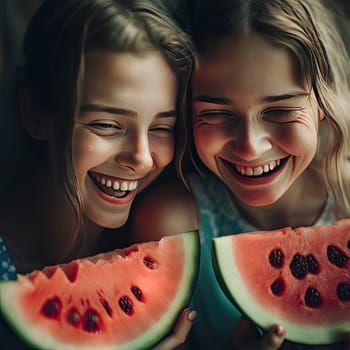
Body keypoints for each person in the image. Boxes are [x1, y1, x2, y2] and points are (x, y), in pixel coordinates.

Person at [129, 0, 350, 349]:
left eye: (279, 110)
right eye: (218, 114)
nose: (250, 147)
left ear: (323, 103)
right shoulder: (169, 225)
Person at [0, 0, 197, 348]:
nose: (141, 158)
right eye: (107, 125)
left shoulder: (164, 229)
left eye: (161, 127)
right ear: (35, 114)